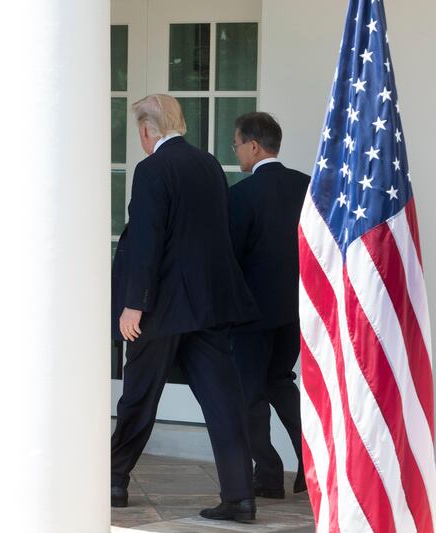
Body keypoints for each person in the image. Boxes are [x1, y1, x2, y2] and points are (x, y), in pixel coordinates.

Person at [110, 94, 260, 523]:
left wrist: (133, 305)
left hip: (160, 309)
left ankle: (115, 480)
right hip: (207, 305)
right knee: (223, 400)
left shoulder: (152, 168)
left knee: (139, 396)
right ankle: (240, 495)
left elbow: (147, 240)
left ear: (145, 131)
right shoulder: (209, 164)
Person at [228, 112, 310, 499]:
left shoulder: (241, 195)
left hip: (251, 314)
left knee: (250, 393)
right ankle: (310, 466)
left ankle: (269, 473)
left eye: (237, 143)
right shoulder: (308, 187)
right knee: (281, 382)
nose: (236, 151)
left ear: (254, 146)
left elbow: (232, 257)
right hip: (296, 311)